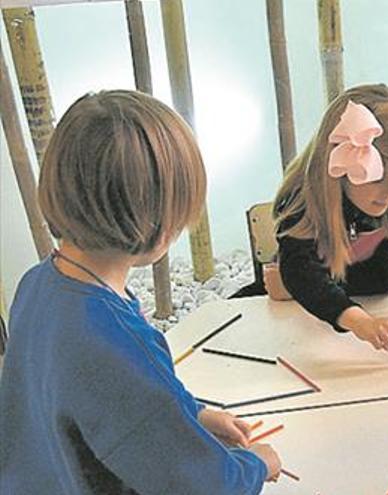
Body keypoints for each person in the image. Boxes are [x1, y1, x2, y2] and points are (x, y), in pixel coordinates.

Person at [0, 90, 281, 494]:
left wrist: (193, 414)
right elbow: (197, 485)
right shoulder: (112, 339)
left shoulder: (37, 283)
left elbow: (104, 404)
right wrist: (256, 464)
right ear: (160, 224)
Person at [271, 84, 388, 354]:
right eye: (377, 175)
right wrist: (355, 318)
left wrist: (303, 287)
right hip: (289, 327)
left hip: (335, 314)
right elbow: (300, 272)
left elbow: (385, 281)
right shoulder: (301, 201)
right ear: (337, 163)